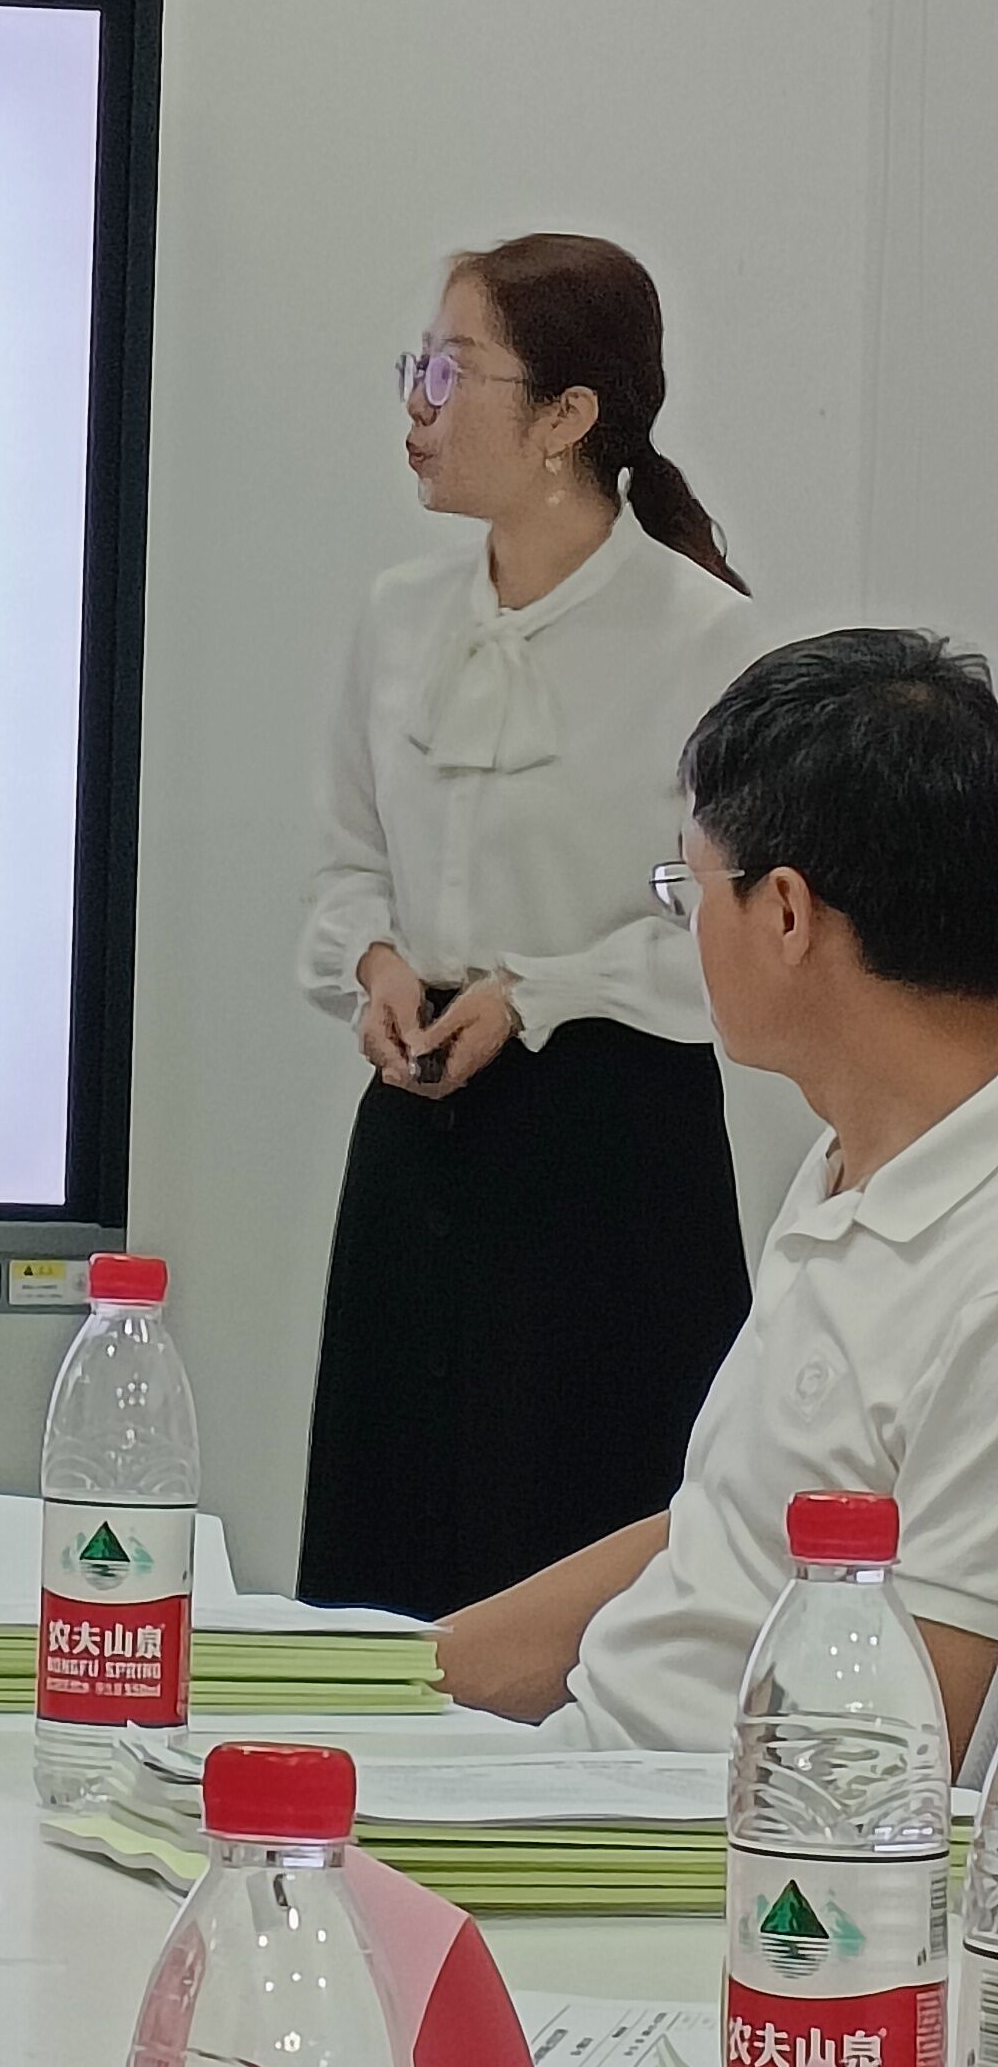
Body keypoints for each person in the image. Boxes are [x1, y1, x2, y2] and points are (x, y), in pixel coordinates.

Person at [295, 235, 760, 1614]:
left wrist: (539, 993)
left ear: (567, 417)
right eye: (417, 366)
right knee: (391, 1545)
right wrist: (375, 963)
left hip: (611, 1140)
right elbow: (345, 862)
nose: (418, 404)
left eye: (453, 372)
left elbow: (724, 926)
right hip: (419, 1123)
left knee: (582, 1543)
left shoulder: (708, 641)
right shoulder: (399, 616)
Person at [440, 631, 998, 1758]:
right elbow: (716, 1541)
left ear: (786, 913)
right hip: (593, 1776)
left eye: (687, 888)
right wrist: (357, 1683)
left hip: (699, 1837)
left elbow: (890, 1768)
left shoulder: (977, 1264)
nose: (686, 927)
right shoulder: (855, 1159)